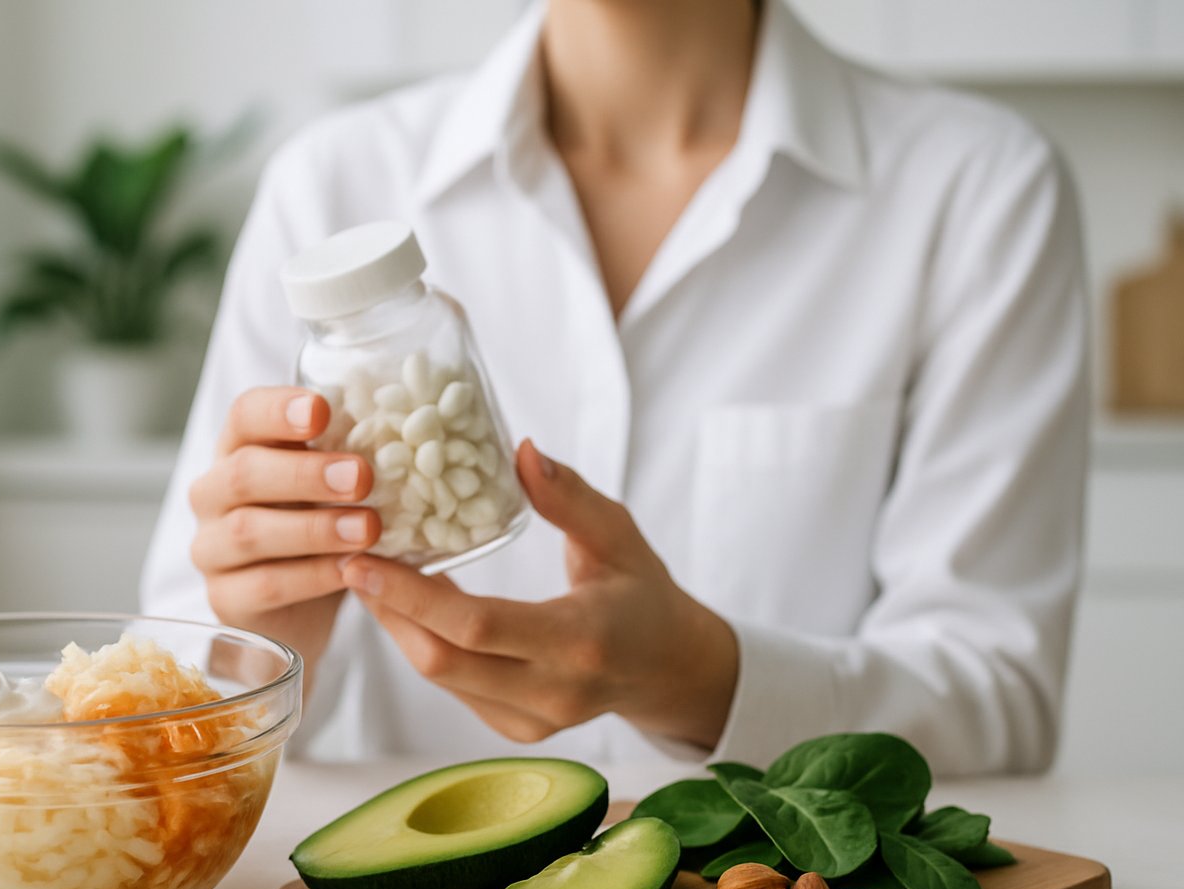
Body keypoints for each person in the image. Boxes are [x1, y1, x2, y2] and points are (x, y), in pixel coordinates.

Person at [140, 0, 1089, 774]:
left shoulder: (979, 192)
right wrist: (263, 646)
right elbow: (171, 712)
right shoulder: (335, 187)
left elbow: (997, 700)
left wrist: (701, 681)